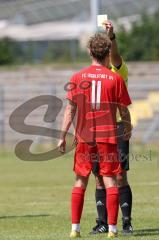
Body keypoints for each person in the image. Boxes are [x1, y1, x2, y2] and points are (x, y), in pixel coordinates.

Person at [58, 32, 132, 238]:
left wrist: (62, 136)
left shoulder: (77, 77)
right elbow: (123, 110)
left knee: (80, 180)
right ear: (107, 52)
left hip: (84, 136)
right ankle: (112, 229)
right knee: (110, 180)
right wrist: (128, 126)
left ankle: (75, 229)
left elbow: (70, 110)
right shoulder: (115, 78)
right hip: (108, 136)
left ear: (90, 52)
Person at [90, 21, 133, 235]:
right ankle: (102, 222)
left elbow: (115, 57)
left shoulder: (117, 70)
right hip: (97, 129)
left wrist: (111, 37)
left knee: (120, 175)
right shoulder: (92, 74)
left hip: (116, 128)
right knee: (98, 176)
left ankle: (126, 222)